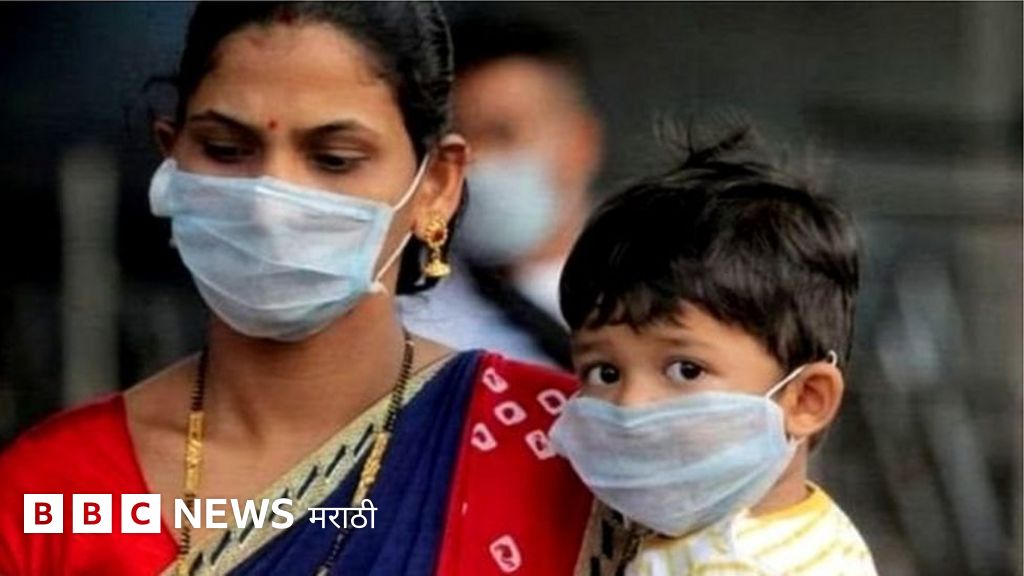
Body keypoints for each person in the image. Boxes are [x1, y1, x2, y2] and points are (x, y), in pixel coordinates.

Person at [0, 3, 592, 575]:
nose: (270, 204)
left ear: (437, 185)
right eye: (225, 150)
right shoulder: (56, 496)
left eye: (334, 158)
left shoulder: (565, 450)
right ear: (171, 163)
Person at [549, 127, 879, 575]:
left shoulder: (734, 565)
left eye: (685, 369)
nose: (630, 404)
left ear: (806, 399)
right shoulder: (812, 533)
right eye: (605, 372)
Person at [401, 10, 603, 369]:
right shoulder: (410, 327)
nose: (475, 161)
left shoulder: (675, 290)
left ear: (580, 143)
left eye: (501, 134)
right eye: (456, 139)